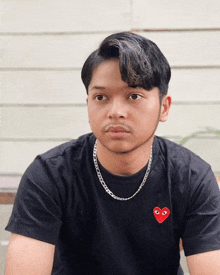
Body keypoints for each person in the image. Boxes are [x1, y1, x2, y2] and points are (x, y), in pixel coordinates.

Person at [5, 32, 220, 275]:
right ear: (89, 105)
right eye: (101, 97)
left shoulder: (191, 177)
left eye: (134, 96)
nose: (115, 112)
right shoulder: (50, 175)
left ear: (164, 107)